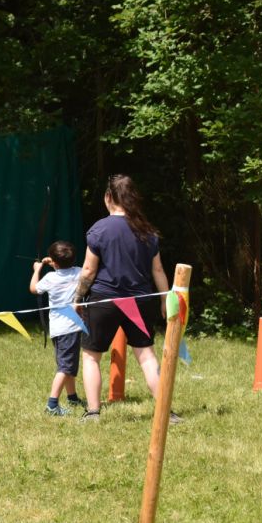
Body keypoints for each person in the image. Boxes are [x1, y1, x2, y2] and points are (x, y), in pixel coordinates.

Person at [72, 174, 174, 422]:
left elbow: (88, 270)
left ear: (108, 198)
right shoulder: (147, 231)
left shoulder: (99, 229)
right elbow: (158, 270)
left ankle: (93, 412)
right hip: (139, 301)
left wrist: (77, 297)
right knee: (147, 356)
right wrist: (164, 300)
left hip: (104, 300)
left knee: (91, 357)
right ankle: (165, 413)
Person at [29, 241, 87, 416]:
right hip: (70, 329)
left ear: (54, 262)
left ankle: (72, 398)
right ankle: (52, 405)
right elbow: (81, 270)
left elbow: (33, 288)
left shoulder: (50, 278)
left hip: (58, 329)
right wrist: (54, 262)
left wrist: (37, 270)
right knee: (65, 367)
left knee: (67, 364)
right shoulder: (78, 273)